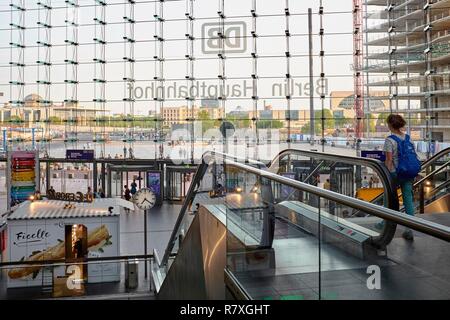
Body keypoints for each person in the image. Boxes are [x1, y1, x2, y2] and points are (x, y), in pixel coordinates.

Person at [383, 114, 420, 241]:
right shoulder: (409, 139)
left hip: (395, 173)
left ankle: (385, 223)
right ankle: (409, 229)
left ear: (391, 125)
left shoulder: (390, 140)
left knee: (388, 198)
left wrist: (385, 175)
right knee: (408, 199)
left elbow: (388, 160)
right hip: (408, 172)